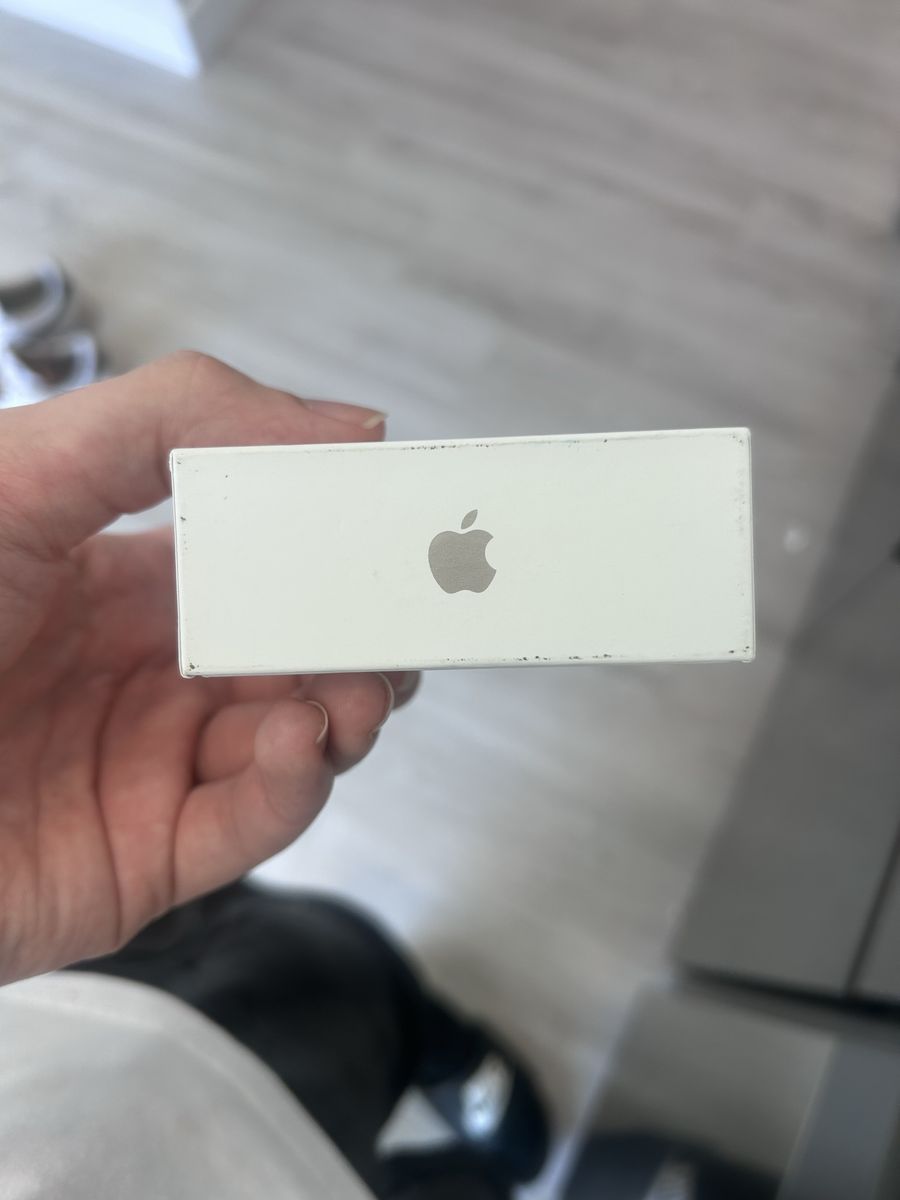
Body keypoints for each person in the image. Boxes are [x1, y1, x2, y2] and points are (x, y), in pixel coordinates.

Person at [0, 352, 548, 1199]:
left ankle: (440, 1053)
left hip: (55, 1031)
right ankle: (464, 1129)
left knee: (321, 963)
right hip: (224, 1146)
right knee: (335, 997)